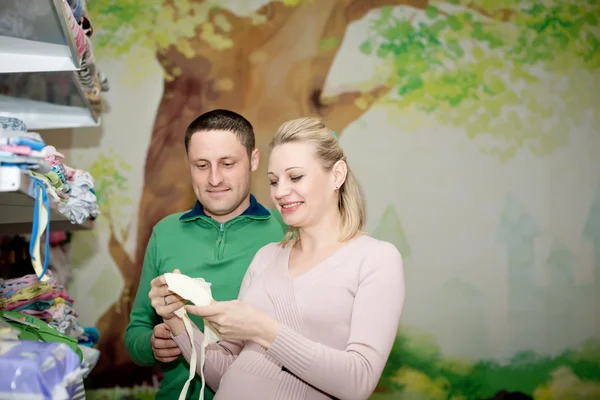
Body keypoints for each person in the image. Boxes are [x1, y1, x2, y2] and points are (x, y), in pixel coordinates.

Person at [149, 117, 406, 400]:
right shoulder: (266, 256)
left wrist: (264, 331)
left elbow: (358, 382)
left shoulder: (375, 258)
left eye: (295, 177)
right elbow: (225, 373)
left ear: (337, 175)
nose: (280, 192)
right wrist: (176, 318)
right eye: (273, 181)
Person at [124, 109, 287, 400]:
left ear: (253, 160)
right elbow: (136, 330)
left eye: (227, 163)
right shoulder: (165, 232)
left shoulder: (287, 231)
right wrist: (151, 344)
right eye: (201, 165)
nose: (214, 179)